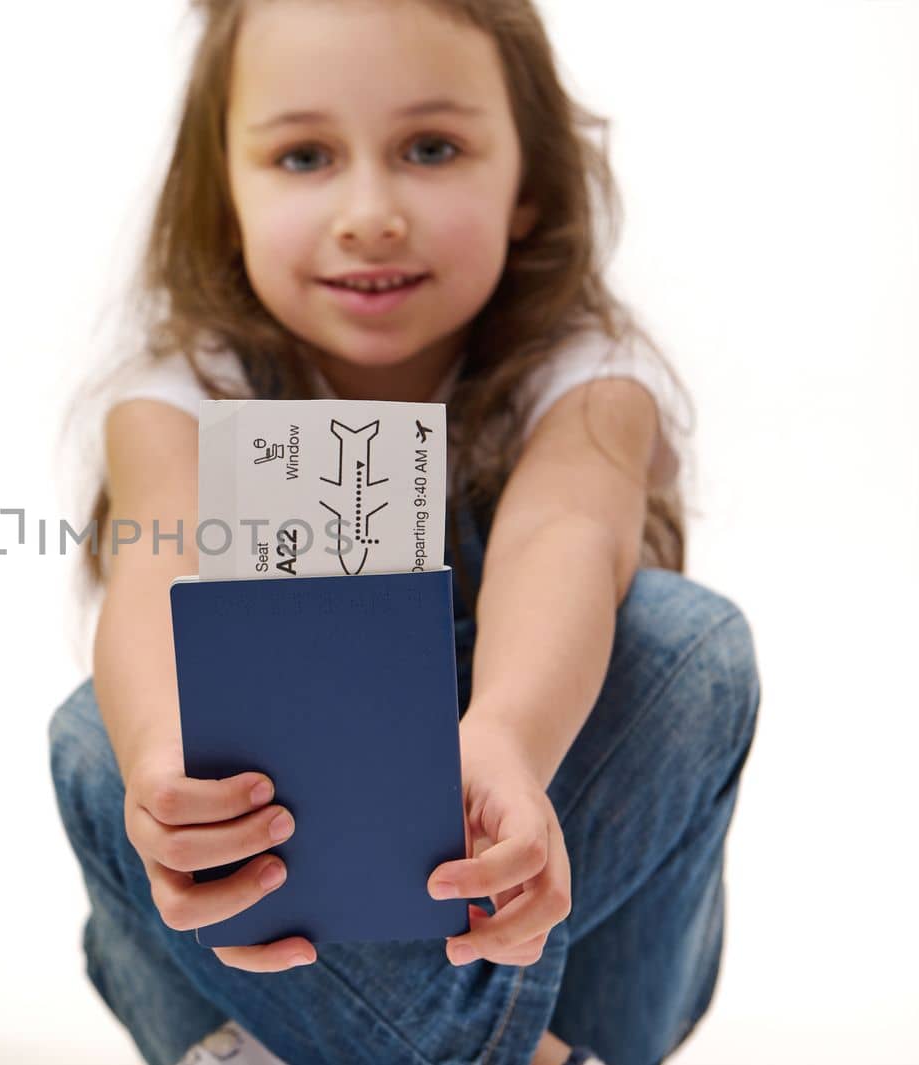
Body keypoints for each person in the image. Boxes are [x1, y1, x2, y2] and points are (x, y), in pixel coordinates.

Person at [47, 2, 761, 1063]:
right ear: (222, 195)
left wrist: (507, 740)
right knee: (103, 734)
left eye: (430, 149)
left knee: (688, 645)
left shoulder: (585, 379)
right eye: (303, 156)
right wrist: (161, 765)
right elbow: (157, 563)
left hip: (542, 928)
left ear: (527, 186)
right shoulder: (186, 396)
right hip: (273, 980)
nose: (369, 213)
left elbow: (560, 531)